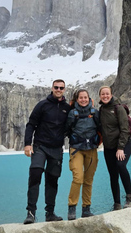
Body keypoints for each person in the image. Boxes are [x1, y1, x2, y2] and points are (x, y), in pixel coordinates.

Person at [23, 79, 71, 224]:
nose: (58, 89)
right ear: (52, 88)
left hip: (56, 149)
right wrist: (27, 144)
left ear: (64, 89)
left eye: (61, 88)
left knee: (52, 180)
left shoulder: (67, 108)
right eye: (56, 87)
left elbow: (71, 128)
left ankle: (50, 213)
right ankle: (30, 213)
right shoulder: (42, 105)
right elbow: (31, 124)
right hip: (40, 146)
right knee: (35, 174)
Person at [98, 85, 131, 210]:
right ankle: (117, 204)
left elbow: (125, 130)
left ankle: (130, 198)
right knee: (113, 174)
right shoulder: (101, 110)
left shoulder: (118, 108)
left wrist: (120, 148)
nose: (105, 96)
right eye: (103, 94)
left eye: (107, 93)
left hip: (123, 144)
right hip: (109, 148)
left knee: (120, 165)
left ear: (111, 94)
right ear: (100, 96)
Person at [65, 89, 100, 220]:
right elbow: (66, 129)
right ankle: (72, 207)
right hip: (76, 149)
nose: (83, 100)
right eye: (81, 98)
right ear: (77, 99)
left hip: (91, 149)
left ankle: (86, 209)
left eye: (85, 97)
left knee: (88, 180)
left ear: (89, 98)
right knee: (78, 178)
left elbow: (101, 128)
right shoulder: (72, 114)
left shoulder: (95, 112)